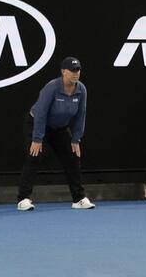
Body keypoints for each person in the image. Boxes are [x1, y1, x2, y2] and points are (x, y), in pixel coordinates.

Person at [17, 56, 94, 212]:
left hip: (60, 128)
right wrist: (37, 138)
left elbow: (81, 115)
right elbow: (41, 113)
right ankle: (23, 199)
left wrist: (76, 138)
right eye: (72, 71)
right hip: (37, 123)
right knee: (34, 156)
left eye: (78, 70)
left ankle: (78, 199)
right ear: (63, 72)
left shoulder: (81, 90)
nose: (76, 74)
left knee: (73, 157)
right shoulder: (52, 87)